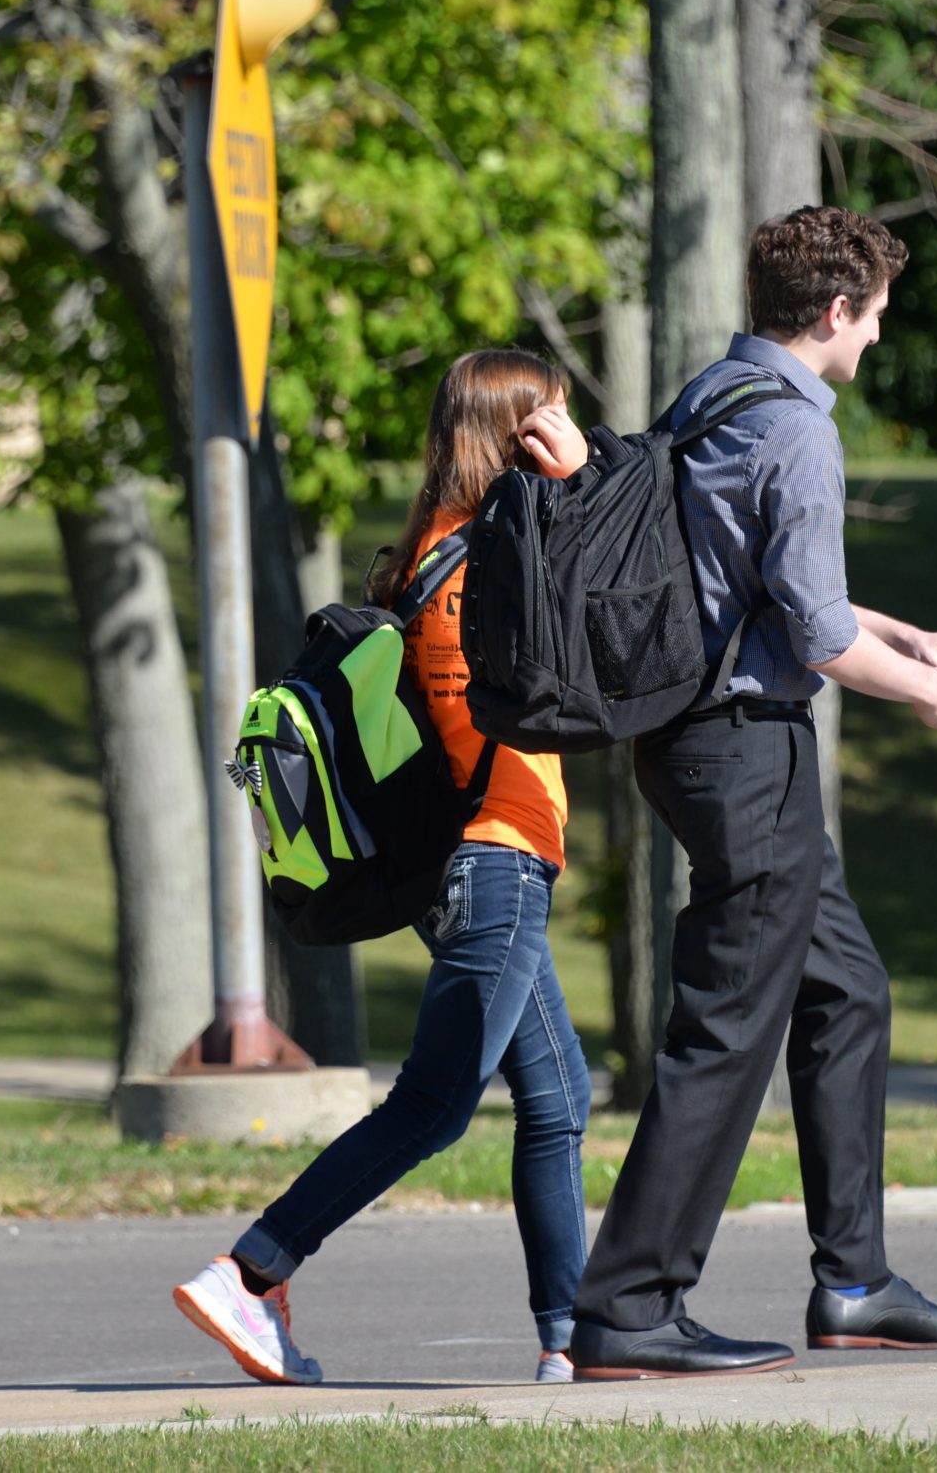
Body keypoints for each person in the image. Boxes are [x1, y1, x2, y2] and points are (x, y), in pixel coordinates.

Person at [568, 205, 937, 1381]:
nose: (871, 344)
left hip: (695, 739)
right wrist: (928, 693)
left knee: (847, 992)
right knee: (724, 1026)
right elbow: (811, 638)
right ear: (832, 312)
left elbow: (757, 588)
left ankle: (853, 1281)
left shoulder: (713, 394)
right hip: (743, 748)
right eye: (871, 322)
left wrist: (906, 632)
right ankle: (628, 1305)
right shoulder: (798, 432)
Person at [173, 348, 597, 1387]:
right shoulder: (476, 568)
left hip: (493, 866)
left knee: (556, 1099)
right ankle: (254, 1267)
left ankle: (572, 1340)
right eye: (549, 424)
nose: (563, 438)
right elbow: (569, 684)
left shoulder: (443, 552)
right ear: (515, 435)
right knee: (434, 1105)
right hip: (494, 864)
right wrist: (582, 489)